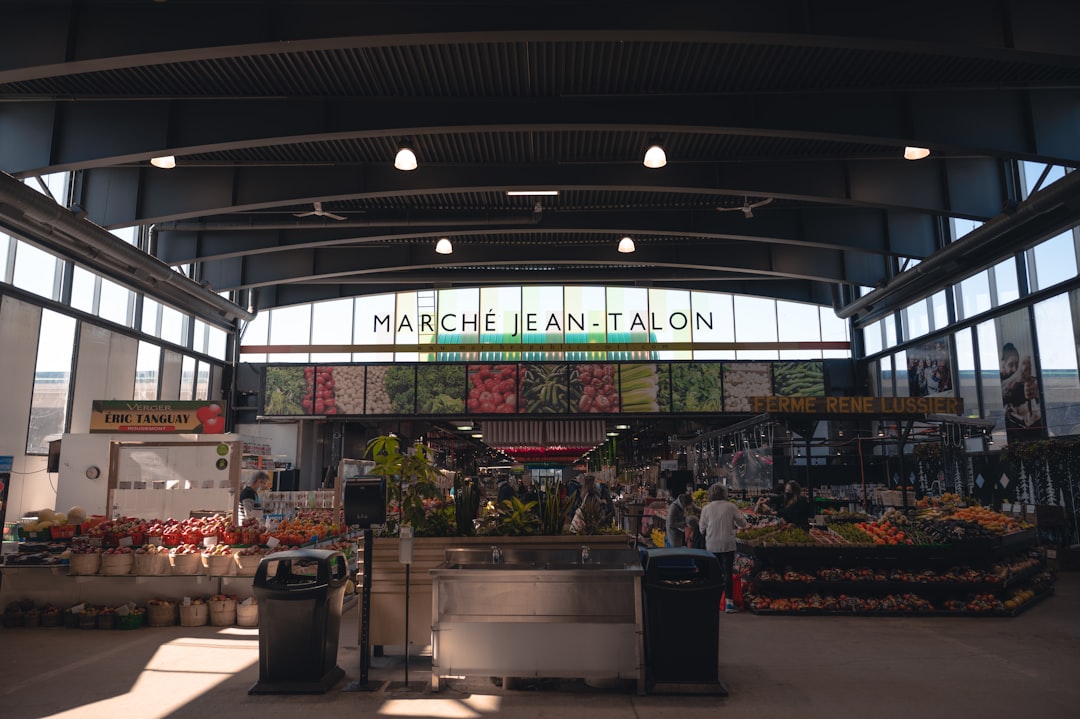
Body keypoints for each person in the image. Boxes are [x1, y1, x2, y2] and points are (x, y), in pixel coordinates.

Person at [698, 483, 748, 613]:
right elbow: (743, 523)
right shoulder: (731, 507)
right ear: (725, 493)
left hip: (711, 544)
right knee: (727, 573)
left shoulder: (706, 508)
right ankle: (729, 603)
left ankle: (713, 600)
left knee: (714, 573)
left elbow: (701, 529)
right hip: (728, 544)